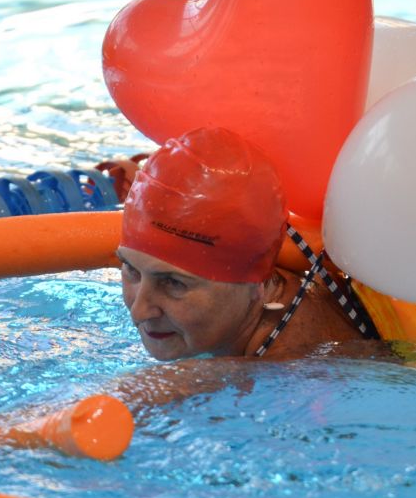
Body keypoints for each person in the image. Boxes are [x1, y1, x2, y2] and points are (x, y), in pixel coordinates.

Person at [115, 125, 369, 362]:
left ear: (257, 283)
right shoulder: (261, 284)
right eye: (131, 269)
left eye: (174, 283)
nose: (139, 311)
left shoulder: (296, 371)